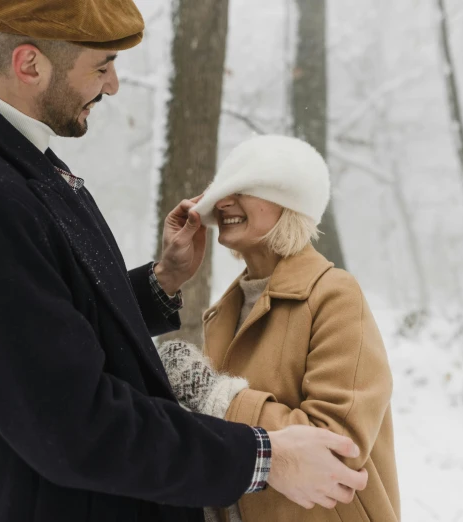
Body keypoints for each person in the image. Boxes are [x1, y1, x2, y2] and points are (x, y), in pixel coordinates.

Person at [0, 2, 368, 520]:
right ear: (30, 64)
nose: (114, 86)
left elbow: (50, 329)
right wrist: (262, 457)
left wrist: (160, 281)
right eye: (101, 67)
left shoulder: (18, 168)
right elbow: (76, 425)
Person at [159, 135, 400, 521]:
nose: (223, 201)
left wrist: (214, 394)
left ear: (291, 201)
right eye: (222, 191)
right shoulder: (224, 310)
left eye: (245, 189)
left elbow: (335, 449)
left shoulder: (335, 295)